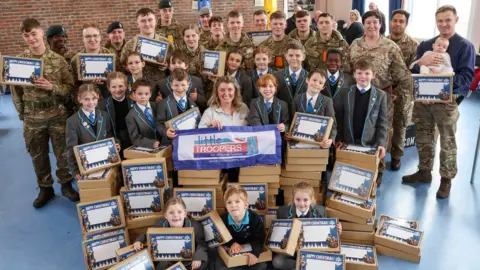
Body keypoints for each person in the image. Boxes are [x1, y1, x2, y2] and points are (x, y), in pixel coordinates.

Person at [403, 5, 475, 199]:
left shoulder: (465, 46)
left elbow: (466, 77)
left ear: (456, 20)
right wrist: (422, 66)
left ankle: (446, 180)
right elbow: (416, 71)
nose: (444, 24)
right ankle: (424, 172)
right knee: (423, 136)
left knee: (447, 141)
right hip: (423, 101)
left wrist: (440, 89)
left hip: (446, 102)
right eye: (440, 20)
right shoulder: (426, 44)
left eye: (448, 20)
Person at [12, 18, 78, 208]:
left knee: (63, 153)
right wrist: (22, 115)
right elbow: (16, 92)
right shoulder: (20, 62)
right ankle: (45, 188)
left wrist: (52, 87)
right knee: (38, 155)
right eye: (26, 36)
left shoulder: (57, 60)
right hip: (32, 118)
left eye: (33, 33)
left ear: (42, 33)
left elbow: (69, 87)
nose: (31, 38)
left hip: (57, 115)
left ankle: (66, 184)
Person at [347, 10, 412, 185]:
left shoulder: (390, 46)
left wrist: (400, 94)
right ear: (364, 24)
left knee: (381, 133)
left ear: (381, 24)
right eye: (368, 22)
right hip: (359, 96)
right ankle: (360, 164)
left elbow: (402, 74)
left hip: (383, 96)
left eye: (375, 22)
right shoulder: (355, 44)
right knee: (360, 129)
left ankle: (379, 169)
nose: (371, 26)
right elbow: (348, 69)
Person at [335, 58, 388, 187]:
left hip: (369, 143)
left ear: (373, 75)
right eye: (359, 73)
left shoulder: (380, 95)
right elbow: (339, 119)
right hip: (348, 141)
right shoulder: (344, 92)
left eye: (367, 73)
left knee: (364, 182)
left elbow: (382, 122)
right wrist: (339, 138)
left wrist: (381, 143)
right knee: (348, 179)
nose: (363, 77)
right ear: (354, 74)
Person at [273, 182, 342, 269]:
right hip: (292, 253)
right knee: (277, 261)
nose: (302, 204)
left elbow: (325, 234)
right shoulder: (282, 212)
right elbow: (279, 238)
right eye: (298, 200)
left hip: (312, 251)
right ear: (293, 199)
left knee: (332, 258)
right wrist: (290, 228)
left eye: (305, 200)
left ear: (311, 199)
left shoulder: (320, 212)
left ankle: (305, 265)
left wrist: (337, 230)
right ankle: (305, 266)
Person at [133, 198, 208, 270]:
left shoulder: (195, 226)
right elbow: (148, 234)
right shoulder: (160, 224)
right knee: (161, 265)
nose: (175, 215)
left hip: (187, 260)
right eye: (171, 212)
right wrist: (138, 241)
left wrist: (198, 257)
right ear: (166, 215)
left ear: (185, 213)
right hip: (167, 259)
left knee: (202, 263)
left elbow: (201, 243)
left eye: (179, 212)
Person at [386, 9, 418, 170]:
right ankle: (380, 153)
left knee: (400, 125)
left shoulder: (413, 45)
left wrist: (398, 87)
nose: (397, 24)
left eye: (401, 21)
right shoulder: (383, 41)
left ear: (406, 24)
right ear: (390, 22)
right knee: (382, 123)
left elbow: (413, 72)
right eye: (395, 20)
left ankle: (396, 157)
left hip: (403, 93)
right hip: (384, 90)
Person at [66, 84, 118, 180]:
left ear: (98, 97)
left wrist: (116, 143)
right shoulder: (72, 121)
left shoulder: (104, 115)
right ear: (79, 99)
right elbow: (71, 148)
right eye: (86, 99)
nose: (91, 102)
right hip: (86, 164)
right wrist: (74, 170)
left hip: (105, 161)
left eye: (93, 98)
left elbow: (109, 134)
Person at [216, 185, 267, 270]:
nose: (233, 205)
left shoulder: (254, 218)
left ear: (246, 205)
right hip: (232, 252)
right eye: (229, 202)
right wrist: (232, 243)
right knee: (220, 266)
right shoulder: (222, 219)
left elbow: (259, 239)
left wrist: (255, 253)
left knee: (261, 265)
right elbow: (221, 238)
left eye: (237, 201)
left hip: (250, 249)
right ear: (226, 206)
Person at [121, 8, 175, 87]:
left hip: (160, 86)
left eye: (150, 20)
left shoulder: (167, 44)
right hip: (138, 88)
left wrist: (166, 66)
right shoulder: (129, 46)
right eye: (143, 21)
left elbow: (174, 65)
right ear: (137, 24)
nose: (147, 24)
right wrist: (132, 67)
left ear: (155, 22)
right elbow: (122, 66)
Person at [290, 69, 336, 149]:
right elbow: (292, 120)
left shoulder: (327, 101)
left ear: (323, 87)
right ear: (307, 80)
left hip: (319, 144)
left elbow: (333, 124)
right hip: (299, 141)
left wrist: (331, 139)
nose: (316, 84)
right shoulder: (297, 99)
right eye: (314, 80)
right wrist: (289, 133)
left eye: (320, 83)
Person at [71, 23, 116, 102]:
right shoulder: (76, 60)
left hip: (109, 101)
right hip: (88, 104)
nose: (92, 39)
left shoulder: (112, 56)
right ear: (83, 39)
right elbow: (74, 87)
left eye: (95, 36)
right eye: (88, 36)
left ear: (100, 37)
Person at [156, 69, 198, 145]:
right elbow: (159, 124)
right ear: (171, 85)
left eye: (183, 85)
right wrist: (166, 131)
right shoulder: (164, 103)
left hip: (188, 143)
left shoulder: (193, 104)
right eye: (176, 85)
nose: (180, 88)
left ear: (188, 84)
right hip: (170, 144)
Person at [98, 72, 134, 156]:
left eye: (120, 86)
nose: (117, 90)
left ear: (126, 86)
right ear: (108, 88)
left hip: (134, 141)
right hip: (115, 142)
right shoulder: (102, 106)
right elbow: (104, 130)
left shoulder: (134, 101)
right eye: (113, 87)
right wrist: (113, 142)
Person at [274, 42, 308, 120]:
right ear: (286, 56)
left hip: (302, 119)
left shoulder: (309, 77)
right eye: (290, 55)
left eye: (297, 55)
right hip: (282, 119)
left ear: (303, 57)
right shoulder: (277, 76)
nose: (294, 58)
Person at [126, 79, 160, 148]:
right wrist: (150, 143)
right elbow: (135, 137)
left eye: (146, 94)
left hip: (164, 145)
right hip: (147, 148)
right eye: (139, 94)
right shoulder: (131, 116)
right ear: (134, 94)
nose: (143, 96)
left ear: (150, 94)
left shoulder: (157, 106)